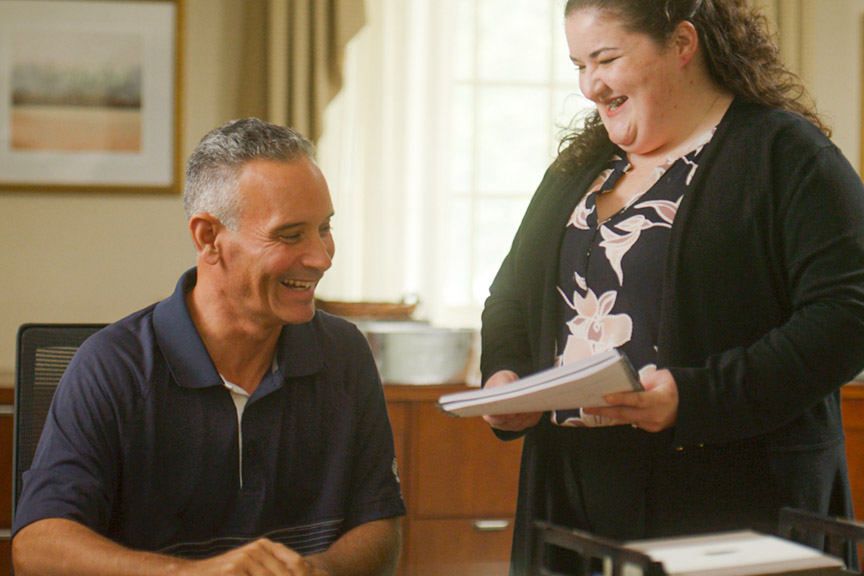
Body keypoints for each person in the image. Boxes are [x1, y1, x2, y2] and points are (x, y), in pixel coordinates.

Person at [480, 0, 864, 574]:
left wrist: (697, 397)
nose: (591, 86)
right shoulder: (580, 167)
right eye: (579, 65)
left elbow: (847, 316)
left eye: (605, 58)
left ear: (682, 44)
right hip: (573, 500)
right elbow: (511, 293)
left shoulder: (786, 155)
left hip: (733, 501)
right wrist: (505, 375)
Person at [11, 118, 407, 576]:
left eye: (325, 227)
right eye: (291, 234)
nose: (321, 257)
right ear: (208, 238)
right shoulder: (111, 366)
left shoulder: (345, 354)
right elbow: (36, 547)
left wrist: (312, 571)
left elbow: (380, 525)